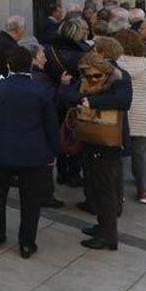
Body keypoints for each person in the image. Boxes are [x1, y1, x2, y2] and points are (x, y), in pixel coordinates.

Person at [0, 47, 59, 258]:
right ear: (31, 65)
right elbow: (51, 124)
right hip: (32, 153)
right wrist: (53, 151)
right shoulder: (41, 90)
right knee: (30, 200)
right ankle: (26, 243)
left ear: (8, 66)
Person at [64, 51, 131, 251]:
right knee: (95, 185)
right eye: (86, 74)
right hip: (90, 138)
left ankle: (109, 236)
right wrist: (81, 96)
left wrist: (91, 101)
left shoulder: (120, 78)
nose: (89, 77)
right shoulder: (85, 76)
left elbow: (123, 101)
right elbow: (68, 95)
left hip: (108, 141)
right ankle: (102, 226)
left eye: (93, 74)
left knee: (105, 188)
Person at [45, 18, 89, 187]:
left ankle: (62, 172)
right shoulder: (83, 54)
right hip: (75, 100)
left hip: (56, 98)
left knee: (61, 135)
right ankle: (73, 173)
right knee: (75, 135)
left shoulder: (49, 50)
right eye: (84, 30)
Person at [24, 43, 67, 209]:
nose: (46, 58)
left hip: (32, 128)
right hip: (41, 128)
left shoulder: (34, 75)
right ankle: (45, 195)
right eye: (42, 56)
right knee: (45, 164)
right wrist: (63, 85)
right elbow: (53, 102)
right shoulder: (39, 78)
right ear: (33, 59)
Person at [113, 30, 146, 204]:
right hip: (142, 111)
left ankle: (118, 192)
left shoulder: (115, 65)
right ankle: (143, 191)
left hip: (121, 111)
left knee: (118, 154)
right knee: (142, 154)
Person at [0, 15, 25, 84]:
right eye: (23, 28)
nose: (24, 31)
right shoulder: (12, 47)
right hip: (6, 86)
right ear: (16, 30)